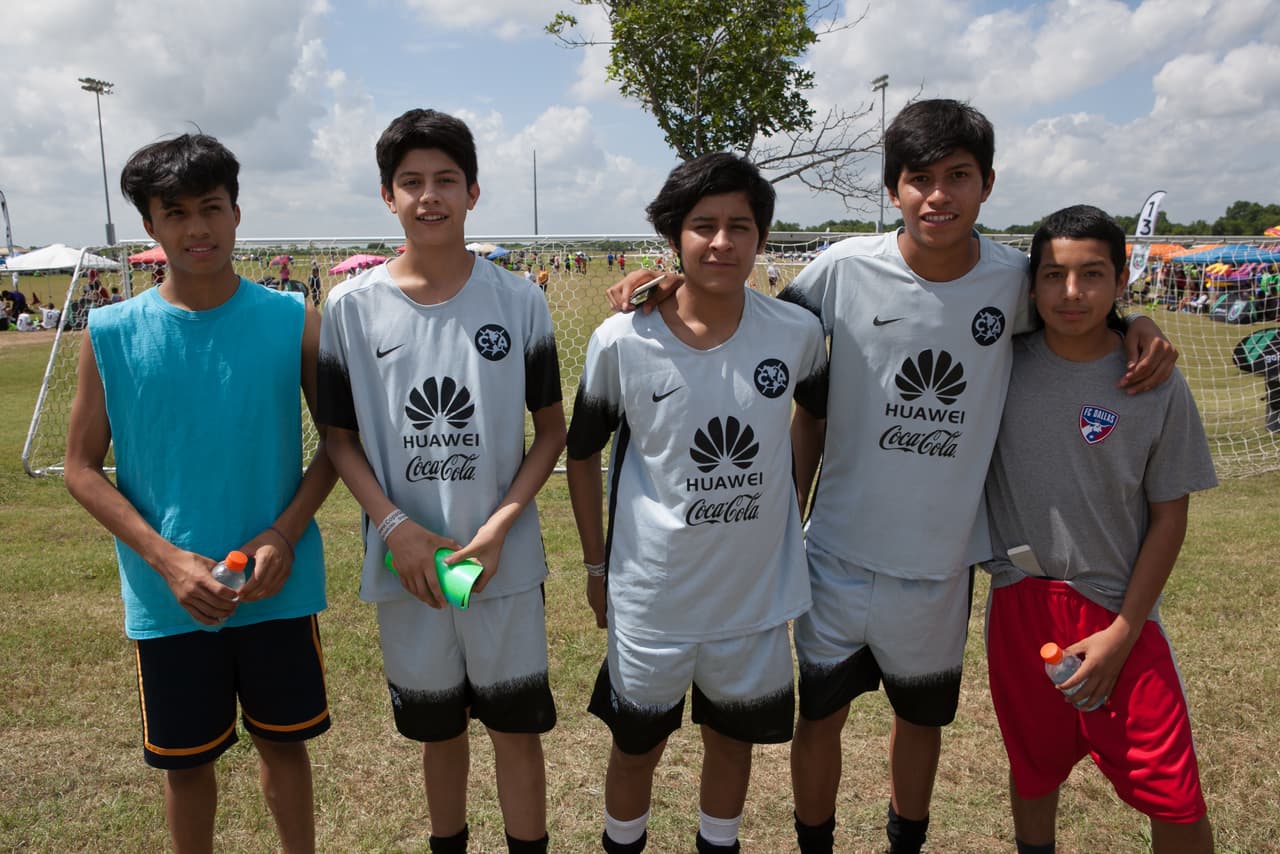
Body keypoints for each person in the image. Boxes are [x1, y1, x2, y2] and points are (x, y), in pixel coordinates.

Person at [603, 98, 1177, 854]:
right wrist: (669, 279)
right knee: (821, 718)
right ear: (892, 189)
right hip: (836, 551)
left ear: (988, 184)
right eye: (919, 178)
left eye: (958, 176)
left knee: (921, 722)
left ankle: (904, 841)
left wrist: (1135, 322)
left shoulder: (1012, 282)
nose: (938, 194)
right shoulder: (842, 269)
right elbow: (750, 317)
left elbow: (1080, 312)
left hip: (938, 563)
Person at [63, 133, 336, 853]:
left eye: (210, 208)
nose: (197, 229)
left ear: (237, 214)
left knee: (286, 748)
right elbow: (81, 469)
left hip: (276, 586)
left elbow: (342, 444)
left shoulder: (291, 320)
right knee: (187, 767)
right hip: (171, 599)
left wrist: (283, 533)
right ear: (150, 228)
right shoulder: (112, 332)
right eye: (175, 213)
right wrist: (166, 559)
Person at [317, 108, 564, 854]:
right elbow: (338, 437)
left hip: (500, 565)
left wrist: (494, 533)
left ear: (474, 192)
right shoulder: (350, 309)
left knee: (517, 732)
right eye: (412, 182)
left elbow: (550, 429)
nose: (430, 197)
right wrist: (397, 529)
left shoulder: (518, 300)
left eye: (446, 181)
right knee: (440, 732)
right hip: (411, 567)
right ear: (388, 196)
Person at [567, 152, 828, 854]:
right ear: (674, 237)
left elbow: (817, 415)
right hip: (654, 596)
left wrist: (790, 506)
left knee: (731, 742)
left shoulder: (796, 335)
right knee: (635, 748)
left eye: (739, 226)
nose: (722, 242)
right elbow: (583, 452)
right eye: (702, 225)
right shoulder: (623, 338)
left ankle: (720, 843)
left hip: (752, 598)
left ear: (762, 238)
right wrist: (596, 569)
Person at [983, 205, 1216, 854]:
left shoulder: (1154, 380)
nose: (1072, 292)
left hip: (1116, 613)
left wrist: (1123, 630)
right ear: (1032, 285)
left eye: (1092, 274)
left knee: (1173, 791)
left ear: (1121, 282)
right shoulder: (998, 365)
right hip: (1018, 605)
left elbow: (1171, 516)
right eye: (1054, 275)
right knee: (1033, 773)